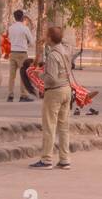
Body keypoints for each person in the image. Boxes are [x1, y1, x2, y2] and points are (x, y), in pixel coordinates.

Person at [30, 26, 73, 170]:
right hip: (67, 90)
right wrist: (52, 38)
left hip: (55, 92)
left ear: (49, 38)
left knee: (49, 126)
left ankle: (47, 159)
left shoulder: (53, 55)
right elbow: (62, 40)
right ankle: (64, 159)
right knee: (63, 127)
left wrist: (39, 75)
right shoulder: (66, 49)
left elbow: (52, 78)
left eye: (46, 35)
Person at [7, 9, 35, 103]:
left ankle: (10, 95)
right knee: (23, 75)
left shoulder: (11, 28)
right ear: (22, 17)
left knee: (12, 75)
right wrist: (25, 42)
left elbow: (10, 39)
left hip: (13, 52)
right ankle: (23, 95)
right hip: (22, 53)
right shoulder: (25, 28)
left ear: (15, 18)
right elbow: (32, 42)